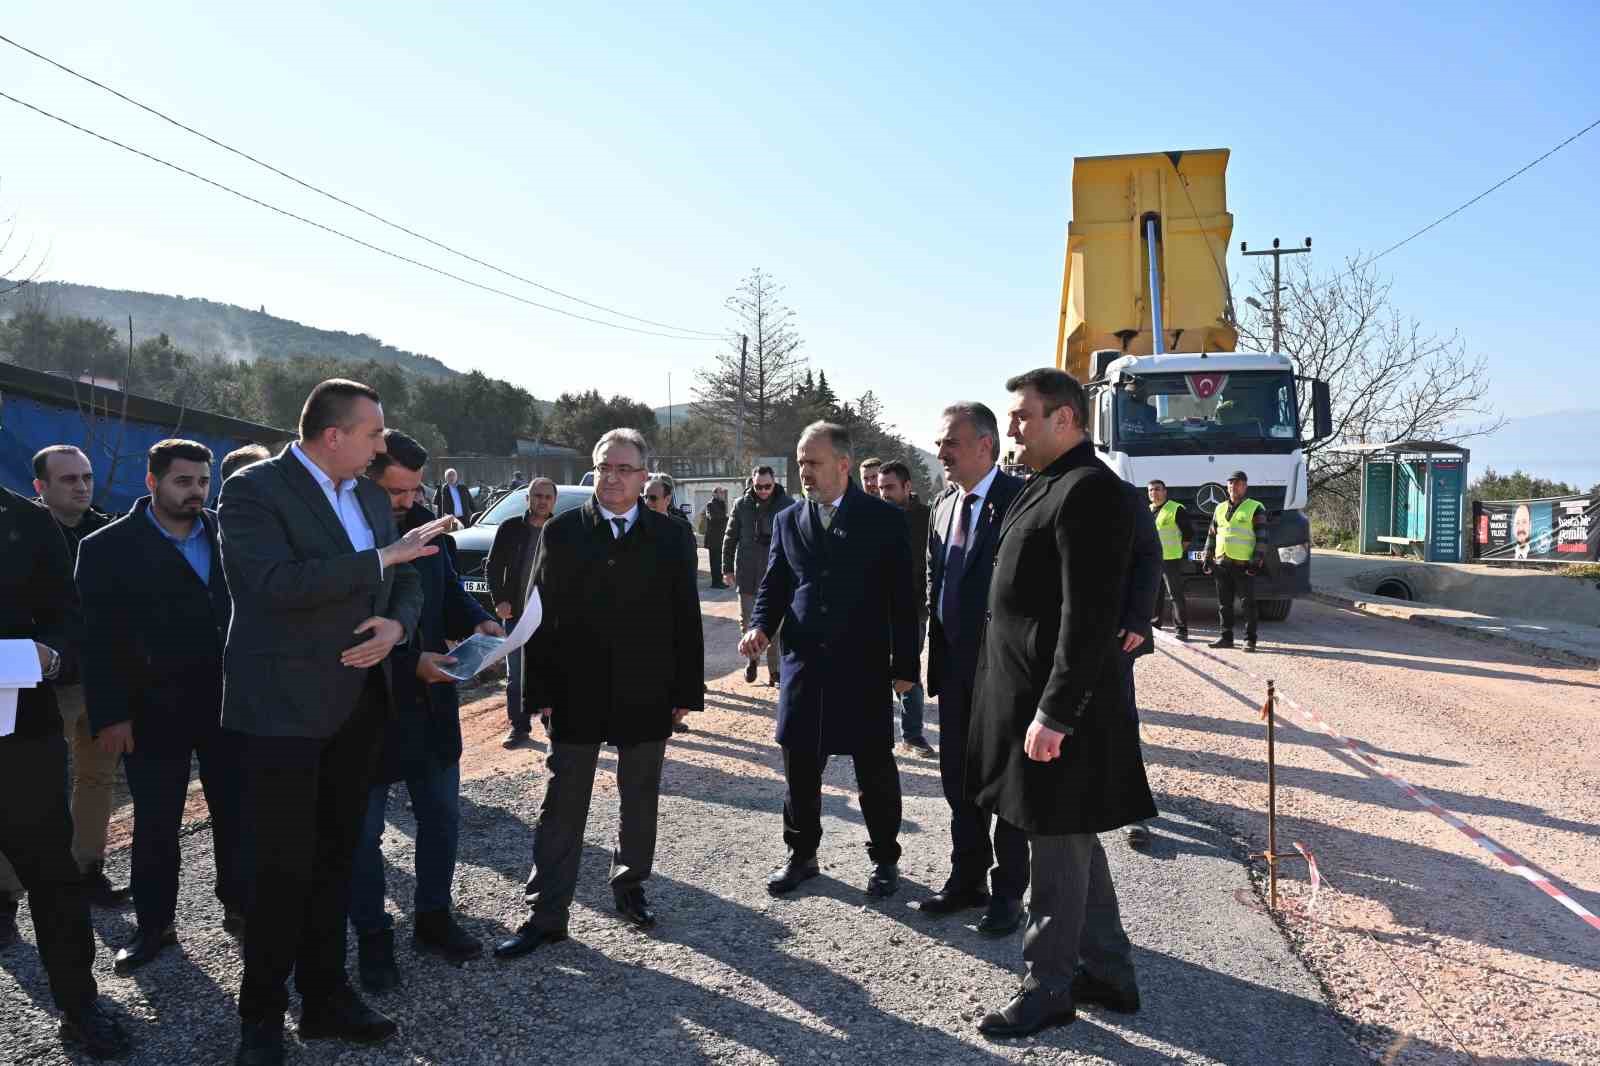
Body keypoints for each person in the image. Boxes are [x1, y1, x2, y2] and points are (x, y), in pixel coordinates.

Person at [219, 378, 444, 1065]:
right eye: (374, 434)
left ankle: (325, 998)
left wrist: (395, 625)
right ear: (333, 435)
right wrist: (380, 559)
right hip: (282, 713)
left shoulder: (371, 496)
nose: (384, 446)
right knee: (280, 868)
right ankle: (260, 1017)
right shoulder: (255, 489)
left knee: (336, 861)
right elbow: (270, 585)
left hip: (357, 706)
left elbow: (407, 581)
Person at [969, 368, 1155, 1039]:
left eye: (1022, 416)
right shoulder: (1043, 485)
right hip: (1024, 698)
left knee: (1053, 851)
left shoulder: (1091, 493)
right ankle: (1109, 973)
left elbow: (1088, 617)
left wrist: (1056, 713)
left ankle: (1048, 986)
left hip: (1058, 708)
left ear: (1066, 420)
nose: (1011, 427)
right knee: (1069, 838)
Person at [495, 428, 702, 959]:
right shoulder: (564, 532)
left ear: (644, 477)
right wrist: (537, 689)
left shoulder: (671, 536)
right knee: (563, 802)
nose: (612, 477)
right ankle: (546, 914)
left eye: (624, 469)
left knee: (639, 795)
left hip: (647, 688)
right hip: (576, 689)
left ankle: (630, 885)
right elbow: (541, 614)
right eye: (604, 467)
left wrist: (685, 690)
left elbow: (685, 617)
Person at [75, 440, 245, 976]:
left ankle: (241, 908)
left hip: (228, 702)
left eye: (202, 481)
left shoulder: (228, 533)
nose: (195, 492)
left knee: (237, 813)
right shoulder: (108, 547)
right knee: (155, 824)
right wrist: (110, 714)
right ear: (151, 482)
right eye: (182, 482)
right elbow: (96, 638)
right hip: (150, 710)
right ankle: (155, 927)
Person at [351, 431, 503, 993]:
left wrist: (477, 621)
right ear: (366, 476)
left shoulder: (425, 522)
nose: (408, 502)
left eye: (415, 489)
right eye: (395, 490)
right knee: (362, 837)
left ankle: (434, 919)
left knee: (441, 818)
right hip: (365, 710)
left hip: (432, 705)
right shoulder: (347, 533)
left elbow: (448, 590)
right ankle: (373, 939)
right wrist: (411, 662)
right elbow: (340, 630)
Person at [743, 422, 919, 899]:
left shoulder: (881, 520)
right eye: (800, 463)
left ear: (843, 464)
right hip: (804, 667)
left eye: (813, 462)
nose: (804, 472)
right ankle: (802, 855)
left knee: (874, 770)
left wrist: (905, 666)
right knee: (799, 766)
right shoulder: (787, 519)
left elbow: (904, 599)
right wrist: (759, 626)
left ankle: (885, 858)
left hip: (860, 667)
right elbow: (776, 585)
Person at [0, 482, 132, 1059]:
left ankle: (79, 1007)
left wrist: (50, 655)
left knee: (52, 879)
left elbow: (69, 619)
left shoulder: (25, 523)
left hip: (17, 737)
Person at [916, 402, 1028, 934]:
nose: (942, 455)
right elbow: (937, 582)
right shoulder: (942, 505)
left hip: (1004, 676)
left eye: (951, 444)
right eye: (939, 445)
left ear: (986, 444)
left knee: (1004, 786)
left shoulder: (1020, 502)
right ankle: (967, 879)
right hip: (954, 672)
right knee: (958, 782)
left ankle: (1009, 895)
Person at [4, 445, 128, 909]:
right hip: (40, 684)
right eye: (68, 479)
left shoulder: (109, 532)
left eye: (86, 477)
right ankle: (7, 893)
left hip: (100, 675)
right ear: (40, 486)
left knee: (97, 777)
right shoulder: (18, 532)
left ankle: (86, 868)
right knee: (28, 791)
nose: (81, 486)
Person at [488, 477, 558, 748]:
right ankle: (519, 727)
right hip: (516, 614)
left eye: (547, 497)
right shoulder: (510, 529)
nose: (542, 501)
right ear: (527, 499)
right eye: (537, 496)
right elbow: (494, 567)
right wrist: (500, 600)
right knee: (516, 674)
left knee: (550, 671)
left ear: (554, 501)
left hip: (550, 617)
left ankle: (552, 724)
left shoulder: (559, 529)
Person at [876, 460, 934, 758]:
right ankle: (874, 735)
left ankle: (912, 735)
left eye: (890, 487)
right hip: (876, 609)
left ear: (907, 487)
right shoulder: (872, 517)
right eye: (881, 487)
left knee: (908, 669)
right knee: (873, 670)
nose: (884, 493)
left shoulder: (927, 518)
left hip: (913, 609)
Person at [1118, 483, 1164, 850]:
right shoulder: (1031, 490)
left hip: (1113, 638)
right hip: (1052, 638)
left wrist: (1137, 619)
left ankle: (1133, 810)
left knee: (1120, 720)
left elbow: (1149, 555)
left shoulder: (1120, 494)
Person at [723, 466, 791, 686]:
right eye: (758, 486)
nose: (762, 490)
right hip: (748, 573)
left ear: (775, 483)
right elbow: (730, 538)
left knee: (778, 626)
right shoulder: (741, 505)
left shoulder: (788, 506)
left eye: (767, 486)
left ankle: (775, 671)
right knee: (749, 622)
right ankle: (752, 660)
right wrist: (727, 568)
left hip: (777, 575)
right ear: (752, 483)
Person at [1203, 470, 1266, 651]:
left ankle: (1250, 640)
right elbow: (1212, 535)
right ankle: (1226, 638)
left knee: (1248, 604)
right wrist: (1207, 557)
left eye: (1238, 483)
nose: (1233, 487)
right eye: (1230, 483)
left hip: (1244, 566)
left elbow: (1262, 538)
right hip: (1222, 564)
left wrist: (1256, 562)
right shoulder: (1219, 507)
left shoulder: (1255, 507)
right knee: (1224, 605)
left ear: (1245, 486)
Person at [1147, 480, 1190, 640]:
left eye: (1157, 489)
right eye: (1151, 490)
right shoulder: (1149, 510)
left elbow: (1188, 534)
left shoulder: (1176, 509)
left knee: (1175, 595)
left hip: (1170, 559)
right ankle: (1154, 627)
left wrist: (1179, 551)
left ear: (1165, 491)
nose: (1154, 493)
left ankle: (1181, 630)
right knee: (1154, 594)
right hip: (1153, 560)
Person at [703, 486, 729, 588]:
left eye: (723, 493)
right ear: (715, 494)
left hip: (720, 538)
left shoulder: (721, 504)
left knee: (720, 561)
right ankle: (716, 582)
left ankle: (720, 581)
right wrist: (726, 517)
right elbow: (712, 518)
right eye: (720, 493)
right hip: (713, 539)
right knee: (715, 561)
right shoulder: (711, 504)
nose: (722, 494)